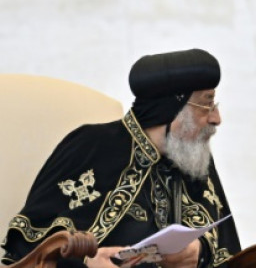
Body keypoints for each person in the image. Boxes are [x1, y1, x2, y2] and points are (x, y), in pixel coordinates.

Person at [1, 48, 241, 268]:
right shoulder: (92, 145)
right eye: (207, 103)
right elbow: (31, 245)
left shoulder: (193, 159)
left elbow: (227, 250)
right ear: (173, 105)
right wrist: (87, 263)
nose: (216, 118)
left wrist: (199, 253)